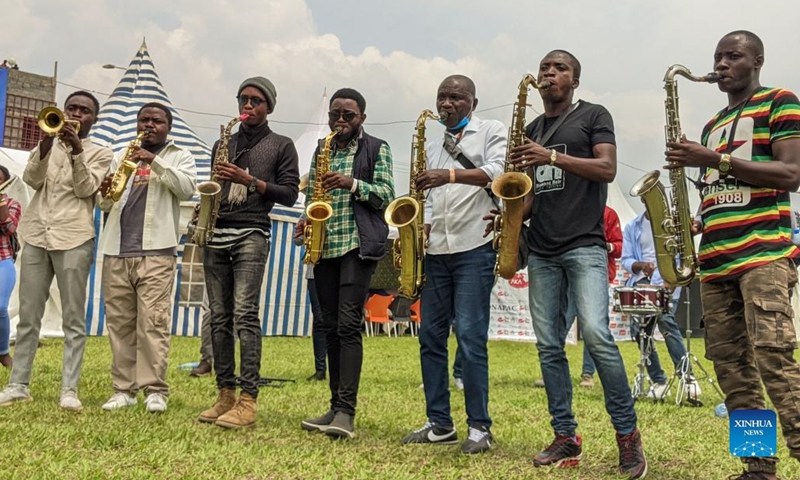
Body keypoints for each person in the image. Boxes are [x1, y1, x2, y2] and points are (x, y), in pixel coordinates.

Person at [665, 30, 800, 480]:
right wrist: (698, 220)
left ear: (756, 60)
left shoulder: (781, 101)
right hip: (716, 261)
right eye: (718, 57)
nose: (721, 65)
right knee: (733, 374)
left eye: (733, 56)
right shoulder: (712, 124)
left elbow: (790, 174)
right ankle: (758, 468)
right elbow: (723, 191)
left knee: (774, 360)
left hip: (764, 254)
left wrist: (714, 159)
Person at [508, 51, 646, 478]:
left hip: (585, 244)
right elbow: (531, 194)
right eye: (545, 68)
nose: (549, 74)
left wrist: (549, 156)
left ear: (575, 80)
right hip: (542, 249)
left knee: (597, 336)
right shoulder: (531, 128)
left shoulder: (593, 115)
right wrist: (513, 214)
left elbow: (606, 169)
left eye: (559, 68)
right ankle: (566, 435)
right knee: (549, 346)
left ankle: (627, 436)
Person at [401, 75, 504, 455]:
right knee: (429, 337)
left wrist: (449, 175)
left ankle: (479, 427)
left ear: (473, 103)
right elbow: (428, 196)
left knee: (471, 338)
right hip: (436, 251)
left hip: (475, 247)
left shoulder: (491, 130)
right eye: (442, 97)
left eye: (456, 98)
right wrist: (422, 224)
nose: (447, 104)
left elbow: (498, 173)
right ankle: (439, 423)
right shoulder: (433, 146)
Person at [0, 91, 114, 410]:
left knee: (73, 318)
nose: (77, 114)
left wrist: (77, 150)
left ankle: (69, 390)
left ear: (94, 118)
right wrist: (47, 144)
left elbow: (86, 189)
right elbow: (31, 179)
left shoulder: (102, 152)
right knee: (28, 315)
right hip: (36, 234)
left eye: (85, 110)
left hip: (74, 237)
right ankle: (18, 384)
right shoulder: (44, 145)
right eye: (72, 108)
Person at [198, 77, 299, 429]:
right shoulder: (222, 143)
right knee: (219, 317)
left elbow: (289, 194)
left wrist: (248, 180)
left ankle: (248, 401)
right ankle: (224, 393)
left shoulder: (282, 144)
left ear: (268, 106)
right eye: (243, 99)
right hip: (216, 231)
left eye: (256, 100)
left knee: (244, 315)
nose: (248, 105)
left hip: (252, 233)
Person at [300, 88, 394, 440]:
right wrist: (306, 220)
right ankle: (334, 405)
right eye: (335, 114)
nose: (340, 121)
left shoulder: (376, 148)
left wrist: (351, 183)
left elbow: (386, 194)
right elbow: (311, 197)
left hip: (357, 244)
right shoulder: (321, 149)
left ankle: (346, 412)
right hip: (325, 246)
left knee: (348, 325)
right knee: (327, 323)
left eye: (348, 116)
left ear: (362, 119)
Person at [97, 102, 197, 413]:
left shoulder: (180, 156)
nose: (149, 125)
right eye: (144, 120)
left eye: (156, 121)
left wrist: (153, 161)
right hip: (116, 250)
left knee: (153, 323)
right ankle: (123, 390)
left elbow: (186, 189)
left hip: (157, 252)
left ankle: (155, 390)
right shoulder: (120, 155)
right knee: (120, 323)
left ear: (169, 126)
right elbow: (104, 205)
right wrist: (104, 191)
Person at [535, 205, 622, 389]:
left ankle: (588, 374)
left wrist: (605, 245)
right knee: (561, 323)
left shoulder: (609, 214)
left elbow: (619, 247)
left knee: (593, 329)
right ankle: (552, 372)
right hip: (568, 275)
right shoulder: (570, 210)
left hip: (594, 277)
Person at [620, 211, 699, 401]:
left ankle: (687, 378)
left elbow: (684, 254)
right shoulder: (633, 226)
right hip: (642, 284)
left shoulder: (674, 225)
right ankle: (659, 381)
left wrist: (672, 277)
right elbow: (626, 259)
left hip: (668, 281)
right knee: (640, 330)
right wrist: (640, 265)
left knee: (666, 322)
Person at [292, 211, 327, 382]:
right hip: (314, 271)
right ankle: (320, 369)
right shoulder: (310, 209)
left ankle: (339, 367)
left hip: (338, 267)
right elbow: (297, 240)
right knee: (319, 321)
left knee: (338, 321)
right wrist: (305, 229)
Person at [0, 165, 21, 368]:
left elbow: (9, 228)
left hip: (3, 260)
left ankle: (3, 352)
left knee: (0, 307)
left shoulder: (12, 203)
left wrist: (1, 204)